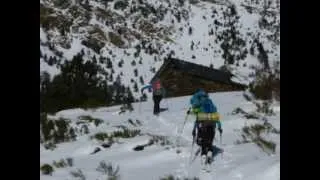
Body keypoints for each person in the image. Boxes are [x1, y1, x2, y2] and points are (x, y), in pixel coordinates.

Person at [187, 89, 222, 166]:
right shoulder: (210, 101)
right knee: (210, 137)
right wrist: (219, 126)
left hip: (202, 122)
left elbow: (197, 115)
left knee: (202, 138)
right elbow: (215, 113)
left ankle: (203, 153)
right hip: (212, 121)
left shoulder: (198, 101)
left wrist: (194, 129)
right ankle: (210, 150)